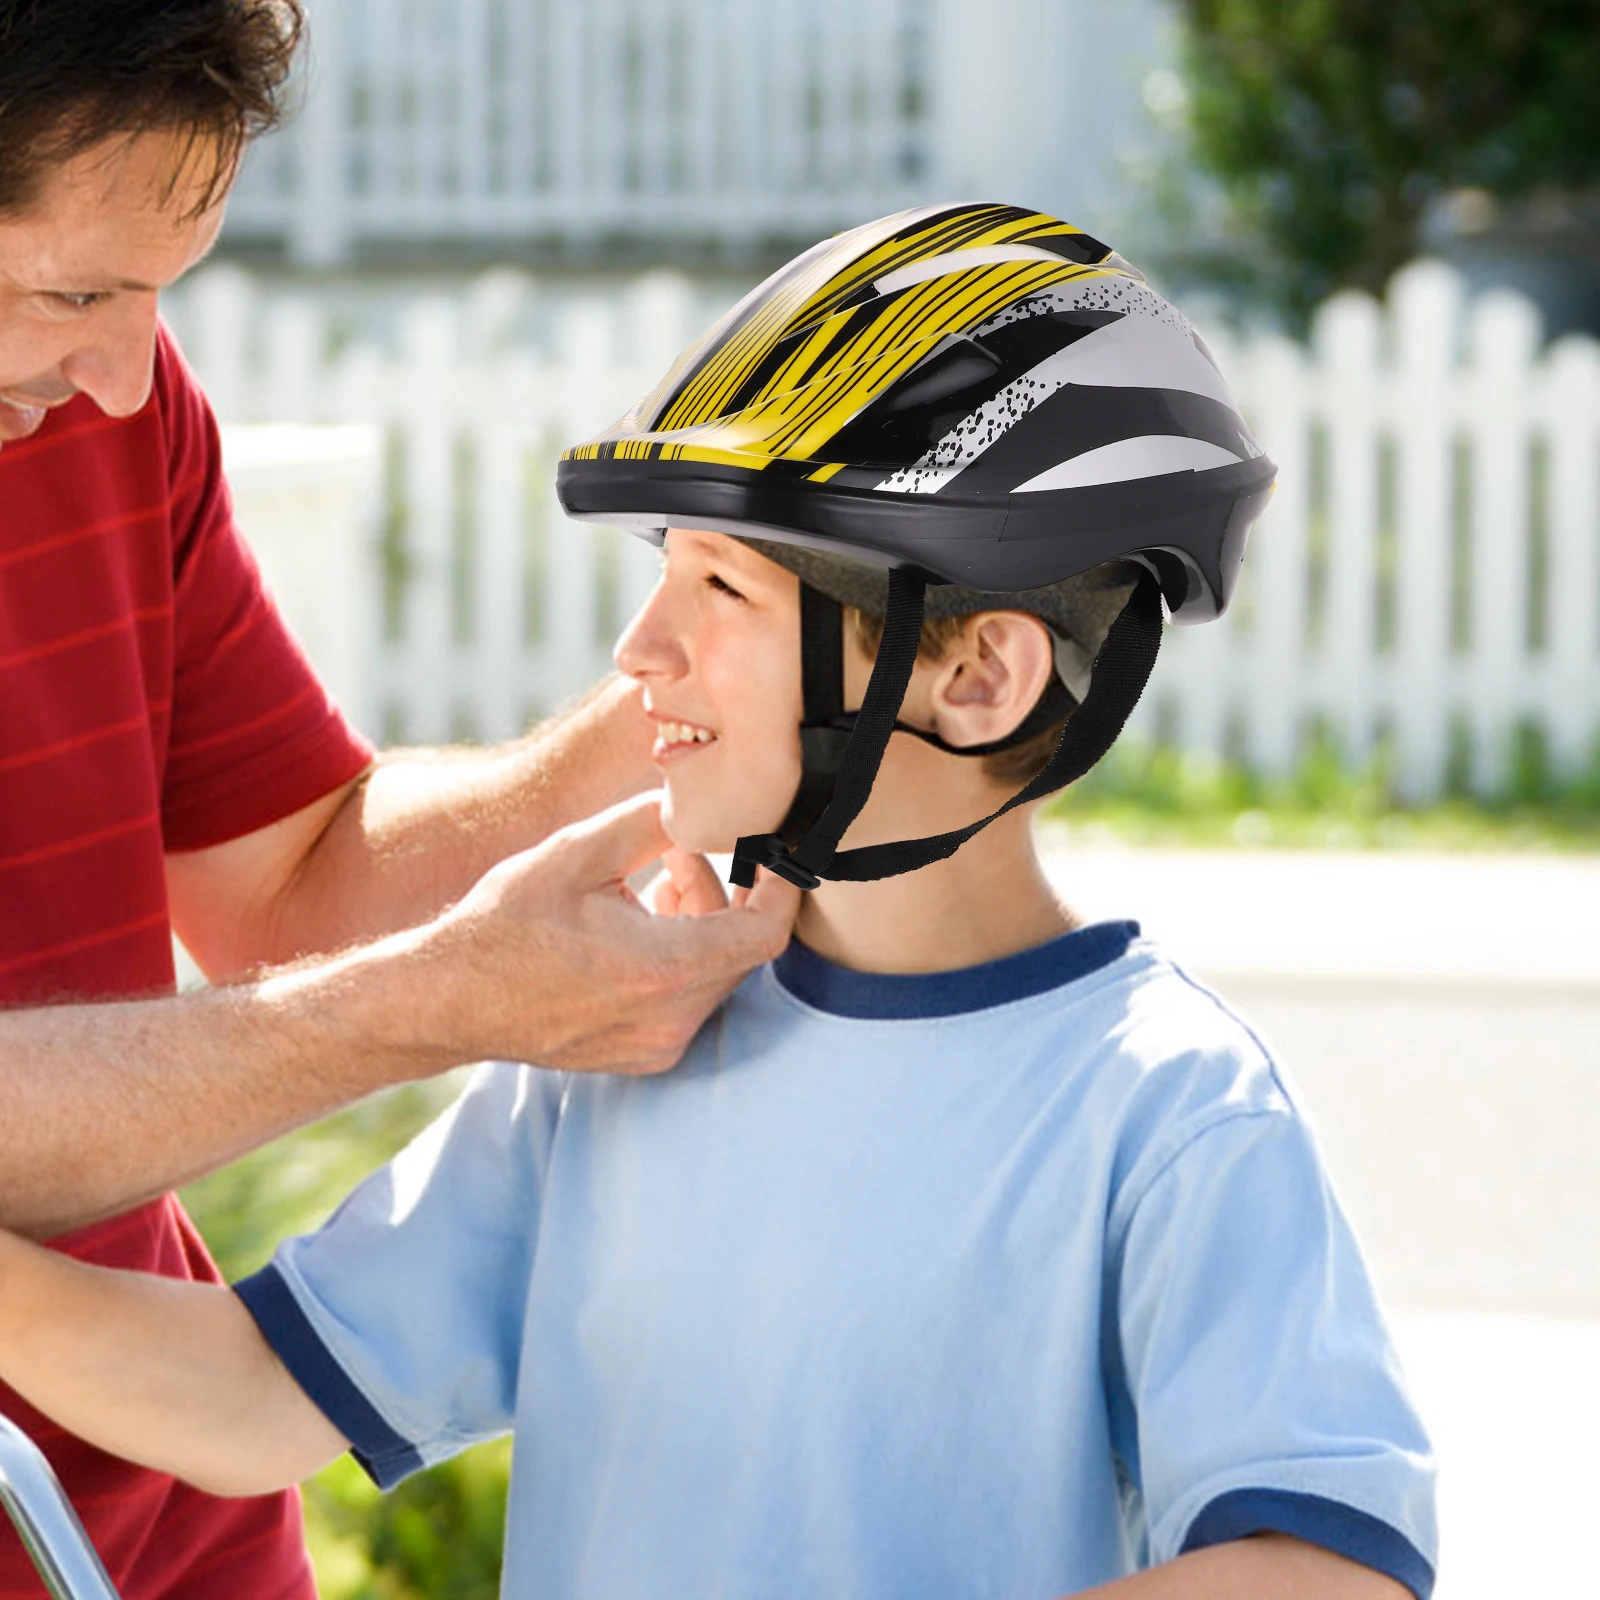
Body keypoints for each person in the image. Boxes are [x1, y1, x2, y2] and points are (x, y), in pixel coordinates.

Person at [0, 207, 1436, 1599]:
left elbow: (1325, 1562)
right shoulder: (629, 1045)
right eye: (662, 577)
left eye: (725, 588)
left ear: (976, 677)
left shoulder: (1165, 1113)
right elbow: (252, 1401)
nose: (639, 651)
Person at [0, 4, 795, 1597]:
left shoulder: (113, 409)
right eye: (68, 291)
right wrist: (432, 1007)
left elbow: (287, 890)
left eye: (159, 290)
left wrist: (725, 654)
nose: (123, 366)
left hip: (161, 1523)